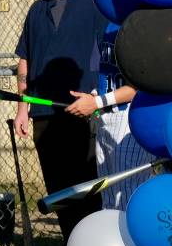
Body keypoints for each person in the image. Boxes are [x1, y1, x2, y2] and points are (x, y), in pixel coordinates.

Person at [14, 0, 108, 246]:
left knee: (87, 184)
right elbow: (24, 60)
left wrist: (97, 100)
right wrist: (22, 108)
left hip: (82, 111)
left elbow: (106, 54)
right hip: (43, 113)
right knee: (58, 187)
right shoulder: (36, 11)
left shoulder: (94, 3)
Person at [65, 22, 154, 209]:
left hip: (130, 117)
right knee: (108, 194)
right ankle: (112, 238)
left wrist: (96, 103)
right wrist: (94, 97)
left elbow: (143, 84)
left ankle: (131, 239)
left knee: (127, 193)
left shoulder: (141, 23)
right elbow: (111, 80)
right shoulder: (109, 25)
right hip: (105, 117)